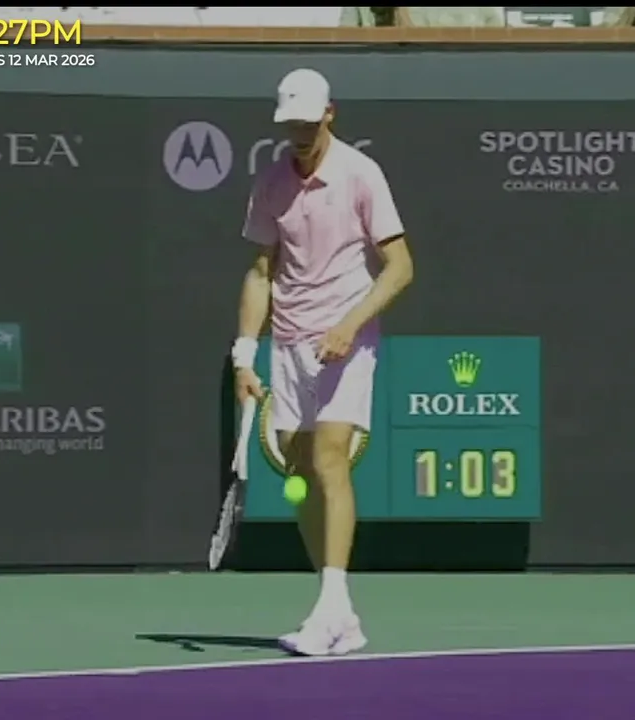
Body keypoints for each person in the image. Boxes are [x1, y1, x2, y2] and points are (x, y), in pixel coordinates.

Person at [233, 68, 414, 656]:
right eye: (292, 124)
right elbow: (261, 272)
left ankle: (330, 605)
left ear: (330, 114)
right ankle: (340, 614)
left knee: (330, 458)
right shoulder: (270, 182)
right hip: (288, 344)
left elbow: (401, 268)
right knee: (301, 467)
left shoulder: (362, 174)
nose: (301, 133)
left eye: (309, 122)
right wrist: (244, 354)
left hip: (346, 339)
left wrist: (350, 324)